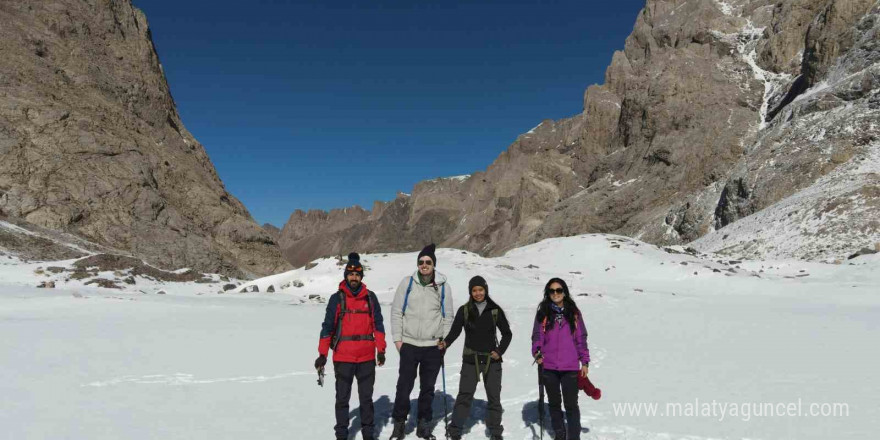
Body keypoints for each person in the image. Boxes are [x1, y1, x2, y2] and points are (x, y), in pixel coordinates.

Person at [315, 252, 387, 440]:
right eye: (351, 273)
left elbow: (378, 325)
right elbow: (327, 328)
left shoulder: (370, 298)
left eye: (357, 274)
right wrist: (322, 354)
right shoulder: (336, 299)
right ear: (346, 275)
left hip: (366, 359)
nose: (354, 277)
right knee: (342, 400)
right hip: (343, 358)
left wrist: (381, 350)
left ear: (361, 276)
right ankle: (341, 435)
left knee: (366, 400)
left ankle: (368, 435)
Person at [389, 244, 454, 440]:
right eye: (421, 262)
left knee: (427, 388)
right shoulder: (407, 283)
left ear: (434, 265)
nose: (424, 265)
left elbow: (448, 316)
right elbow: (396, 312)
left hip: (432, 347)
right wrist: (398, 340)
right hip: (409, 345)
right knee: (404, 387)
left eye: (428, 262)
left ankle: (423, 425)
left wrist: (443, 341)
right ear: (417, 264)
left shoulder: (443, 287)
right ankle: (399, 425)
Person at [439, 275, 512, 440]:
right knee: (464, 395)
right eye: (474, 290)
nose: (478, 293)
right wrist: (446, 343)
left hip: (491, 361)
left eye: (480, 290)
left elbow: (507, 334)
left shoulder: (494, 310)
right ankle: (455, 430)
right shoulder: (465, 310)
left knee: (494, 397)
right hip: (470, 360)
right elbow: (455, 331)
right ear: (470, 292)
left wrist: (499, 351)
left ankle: (495, 432)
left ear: (485, 290)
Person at [531, 278, 590, 440]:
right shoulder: (543, 313)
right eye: (552, 291)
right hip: (548, 366)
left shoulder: (574, 313)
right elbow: (537, 336)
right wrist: (537, 351)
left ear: (564, 292)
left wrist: (584, 361)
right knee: (554, 404)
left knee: (571, 406)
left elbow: (581, 338)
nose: (555, 293)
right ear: (548, 293)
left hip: (570, 366)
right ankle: (560, 435)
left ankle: (573, 437)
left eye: (559, 290)